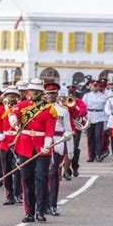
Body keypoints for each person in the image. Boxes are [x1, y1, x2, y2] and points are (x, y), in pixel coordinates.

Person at [11, 78, 57, 223]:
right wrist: (13, 118)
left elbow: (50, 129)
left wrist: (48, 142)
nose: (34, 93)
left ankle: (40, 211)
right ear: (29, 91)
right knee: (27, 179)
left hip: (42, 147)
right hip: (24, 146)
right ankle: (29, 212)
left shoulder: (49, 108)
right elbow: (15, 113)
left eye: (37, 91)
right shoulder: (22, 105)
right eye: (33, 91)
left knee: (41, 179)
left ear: (41, 92)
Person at [44, 83, 73, 216]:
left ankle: (53, 204)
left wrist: (70, 151)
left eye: (53, 94)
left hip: (58, 142)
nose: (50, 96)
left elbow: (68, 130)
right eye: (48, 93)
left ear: (57, 95)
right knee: (41, 175)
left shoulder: (63, 110)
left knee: (53, 174)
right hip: (42, 143)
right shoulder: (39, 109)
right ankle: (43, 204)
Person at [0, 86, 22, 205]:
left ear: (17, 97)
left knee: (18, 168)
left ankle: (18, 194)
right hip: (4, 141)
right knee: (6, 169)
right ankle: (9, 195)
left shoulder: (21, 108)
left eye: (13, 95)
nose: (11, 97)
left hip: (17, 140)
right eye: (9, 95)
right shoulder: (1, 109)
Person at [82, 80, 107, 162]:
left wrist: (106, 120)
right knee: (90, 137)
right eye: (93, 86)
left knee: (98, 137)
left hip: (100, 116)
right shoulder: (86, 96)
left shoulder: (103, 96)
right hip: (89, 116)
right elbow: (83, 107)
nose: (95, 87)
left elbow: (106, 108)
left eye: (96, 86)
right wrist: (84, 119)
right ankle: (91, 156)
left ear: (99, 87)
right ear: (91, 87)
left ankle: (98, 155)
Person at [66, 85, 88, 178]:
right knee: (65, 150)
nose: (71, 94)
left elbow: (83, 112)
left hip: (76, 128)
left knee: (73, 149)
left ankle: (75, 166)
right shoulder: (64, 101)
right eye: (70, 93)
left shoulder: (80, 102)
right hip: (66, 128)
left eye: (73, 93)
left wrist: (75, 109)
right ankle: (66, 170)